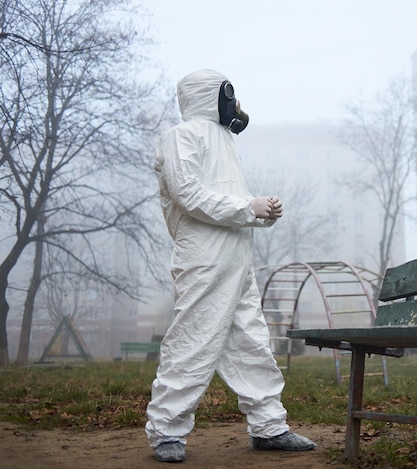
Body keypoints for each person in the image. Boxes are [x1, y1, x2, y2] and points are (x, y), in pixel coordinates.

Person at [145, 69, 316, 463]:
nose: (233, 104)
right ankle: (167, 431)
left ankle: (269, 426)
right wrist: (246, 207)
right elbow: (187, 193)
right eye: (228, 95)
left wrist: (261, 212)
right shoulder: (181, 136)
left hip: (238, 259)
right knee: (192, 341)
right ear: (212, 95)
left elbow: (228, 198)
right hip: (204, 260)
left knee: (252, 343)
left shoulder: (225, 140)